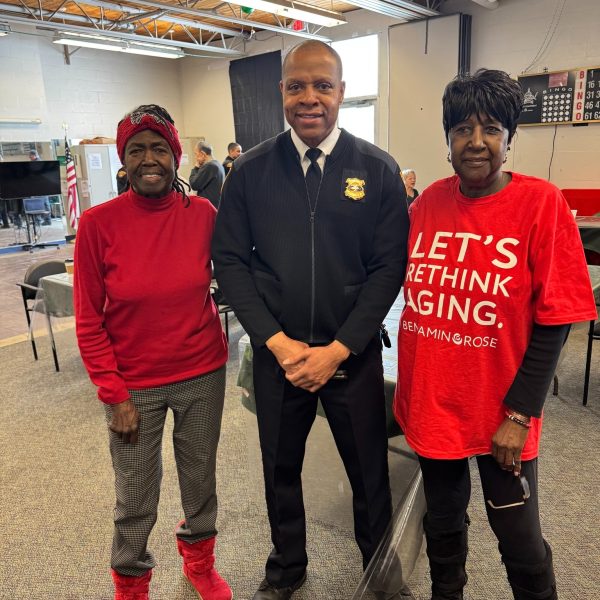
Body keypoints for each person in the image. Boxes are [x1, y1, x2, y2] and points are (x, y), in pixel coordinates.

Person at [212, 40, 409, 600]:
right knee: (281, 472)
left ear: (341, 93)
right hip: (280, 357)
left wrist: (341, 347)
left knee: (370, 477)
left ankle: (379, 572)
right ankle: (287, 568)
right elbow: (229, 261)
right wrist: (275, 342)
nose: (309, 98)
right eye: (296, 85)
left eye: (323, 85)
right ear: (281, 93)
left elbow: (388, 267)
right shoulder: (249, 173)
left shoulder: (377, 170)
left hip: (352, 354)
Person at [393, 69, 598, 600]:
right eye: (462, 129)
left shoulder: (541, 205)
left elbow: (557, 319)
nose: (476, 142)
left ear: (509, 139)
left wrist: (518, 415)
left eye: (490, 129)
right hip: (434, 401)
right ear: (447, 141)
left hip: (501, 409)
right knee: (443, 523)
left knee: (519, 536)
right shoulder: (427, 204)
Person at [74, 104, 231, 600]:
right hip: (132, 385)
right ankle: (132, 582)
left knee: (199, 480)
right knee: (136, 497)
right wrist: (112, 392)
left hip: (202, 372)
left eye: (159, 148)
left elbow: (235, 274)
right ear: (123, 160)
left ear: (176, 157)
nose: (149, 159)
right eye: (137, 149)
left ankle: (199, 562)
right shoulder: (99, 225)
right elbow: (87, 319)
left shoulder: (201, 213)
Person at [189, 142, 225, 209]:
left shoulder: (209, 166)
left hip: (209, 208)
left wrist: (196, 167)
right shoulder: (218, 164)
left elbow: (194, 184)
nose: (195, 158)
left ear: (202, 154)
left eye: (196, 154)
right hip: (216, 206)